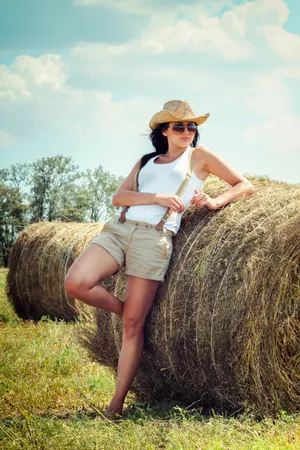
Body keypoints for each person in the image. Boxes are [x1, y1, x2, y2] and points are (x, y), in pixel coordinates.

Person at [64, 100, 254, 417]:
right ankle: (124, 309)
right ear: (164, 130)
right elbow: (119, 197)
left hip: (154, 238)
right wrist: (156, 196)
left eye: (192, 126)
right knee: (76, 282)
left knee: (132, 329)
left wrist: (215, 200)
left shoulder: (200, 157)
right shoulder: (147, 161)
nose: (187, 131)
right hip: (120, 229)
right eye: (179, 126)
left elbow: (244, 184)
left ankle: (115, 406)